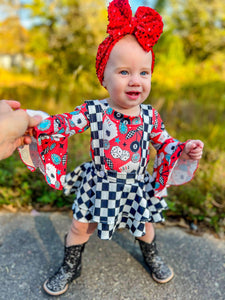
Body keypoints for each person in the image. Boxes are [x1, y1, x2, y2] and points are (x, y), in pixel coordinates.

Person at [19, 0, 204, 296]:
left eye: (144, 73)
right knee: (81, 226)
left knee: (143, 225)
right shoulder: (95, 111)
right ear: (103, 78)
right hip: (99, 184)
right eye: (124, 72)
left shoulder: (149, 116)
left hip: (135, 186)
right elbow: (66, 122)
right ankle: (71, 265)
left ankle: (152, 255)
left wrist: (184, 149)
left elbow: (165, 143)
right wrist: (39, 125)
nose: (136, 81)